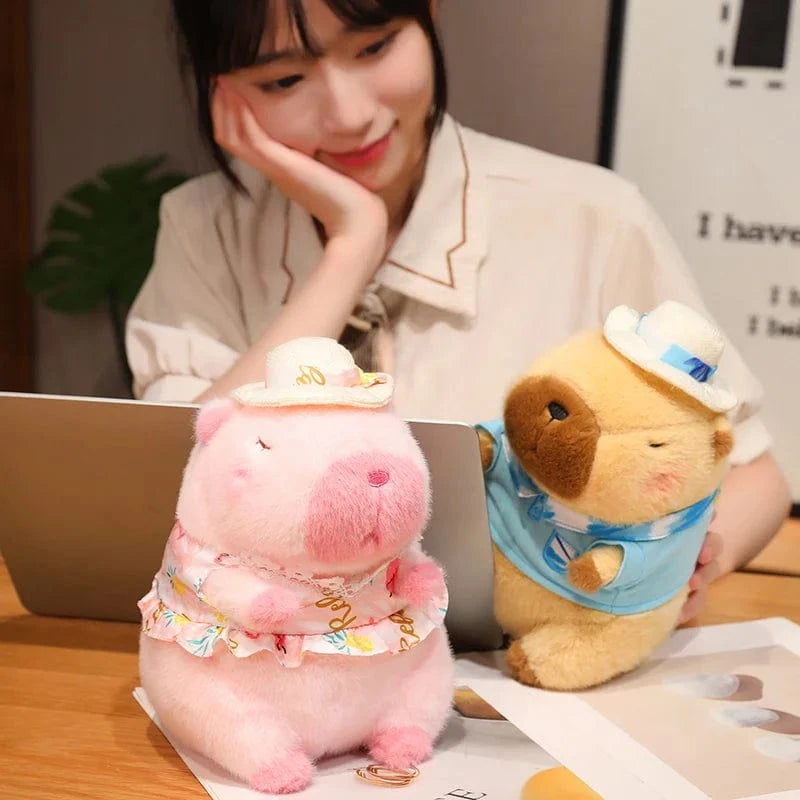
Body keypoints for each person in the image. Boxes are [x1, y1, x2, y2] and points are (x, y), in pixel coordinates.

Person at [126, 0, 791, 623]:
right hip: (274, 667)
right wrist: (350, 250)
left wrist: (696, 562)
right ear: (222, 89)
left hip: (526, 670)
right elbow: (172, 504)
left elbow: (754, 474)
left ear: (430, 11)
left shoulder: (592, 218)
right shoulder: (204, 229)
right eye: (283, 81)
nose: (349, 114)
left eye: (375, 47)